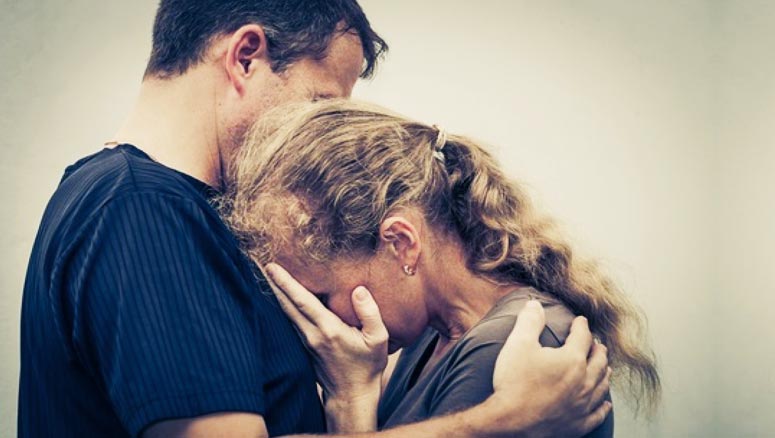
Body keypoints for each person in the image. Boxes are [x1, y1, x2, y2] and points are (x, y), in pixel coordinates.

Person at [18, 1, 611, 437]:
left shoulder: (163, 209)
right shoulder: (143, 212)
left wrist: (353, 398)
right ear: (246, 56)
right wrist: (505, 420)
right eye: (321, 103)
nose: (319, 134)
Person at [222, 100, 662, 434]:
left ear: (402, 243)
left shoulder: (516, 346)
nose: (320, 322)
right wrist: (352, 394)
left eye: (321, 297)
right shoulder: (428, 337)